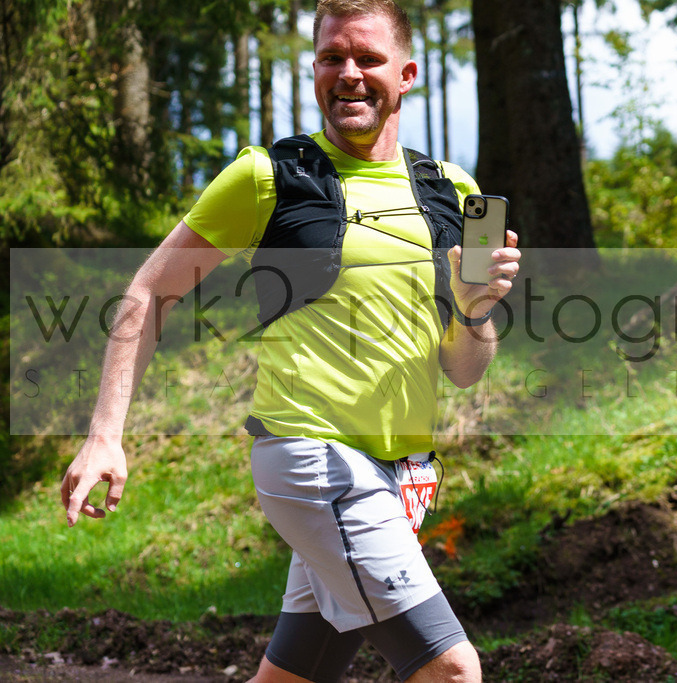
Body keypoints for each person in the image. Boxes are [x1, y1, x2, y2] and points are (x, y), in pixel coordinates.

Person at [59, 1, 520, 681]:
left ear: (408, 73)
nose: (349, 74)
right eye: (332, 57)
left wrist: (477, 312)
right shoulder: (268, 177)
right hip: (314, 461)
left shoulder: (451, 191)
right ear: (314, 71)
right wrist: (105, 431)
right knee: (451, 669)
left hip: (400, 477)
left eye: (367, 58)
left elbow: (464, 369)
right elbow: (149, 291)